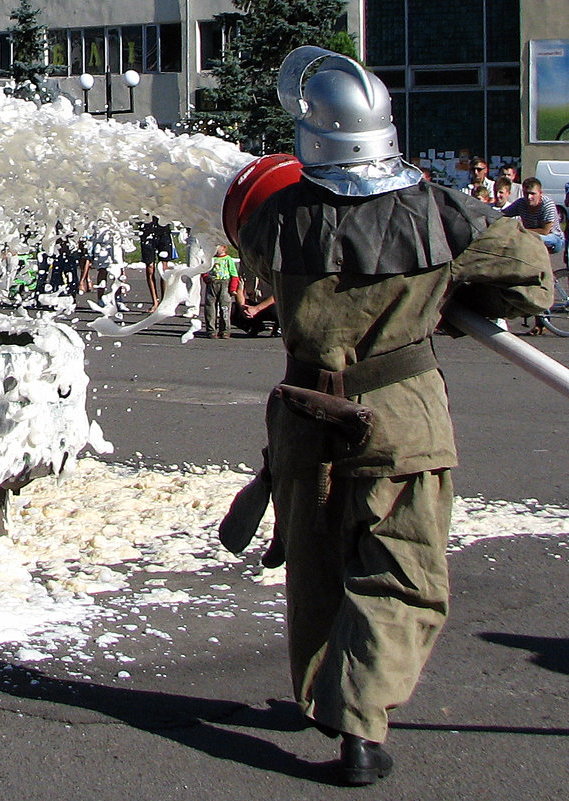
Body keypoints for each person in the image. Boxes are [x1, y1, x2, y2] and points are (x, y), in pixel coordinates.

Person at [235, 47, 552, 787]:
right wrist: (449, 294)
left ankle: (328, 698)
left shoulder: (277, 219)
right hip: (400, 420)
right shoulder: (441, 211)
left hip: (308, 419)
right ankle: (359, 724)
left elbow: (254, 258)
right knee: (401, 575)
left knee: (318, 572)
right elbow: (533, 280)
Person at [501, 177, 566, 253]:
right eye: (526, 193)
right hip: (529, 234)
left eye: (533, 193)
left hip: (553, 238)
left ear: (540, 193)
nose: (529, 197)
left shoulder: (547, 204)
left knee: (531, 239)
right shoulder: (521, 203)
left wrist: (520, 230)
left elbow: (545, 231)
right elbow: (503, 214)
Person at [202, 244, 237, 338]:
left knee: (224, 307)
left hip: (224, 284)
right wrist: (206, 278)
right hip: (212, 283)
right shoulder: (210, 258)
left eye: (218, 246)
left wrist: (233, 288)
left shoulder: (228, 259)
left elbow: (234, 274)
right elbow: (204, 269)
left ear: (224, 248)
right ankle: (211, 330)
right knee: (210, 307)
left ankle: (225, 330)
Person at [139, 216, 173, 312]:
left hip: (163, 230)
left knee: (163, 268)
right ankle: (155, 301)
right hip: (147, 230)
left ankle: (164, 301)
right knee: (150, 267)